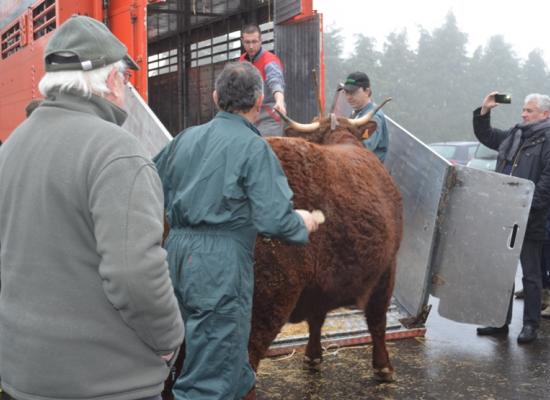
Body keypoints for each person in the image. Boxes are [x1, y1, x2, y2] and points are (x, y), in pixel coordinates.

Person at [0, 15, 184, 400]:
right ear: (112, 81)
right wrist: (169, 338)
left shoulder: (10, 149)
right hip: (107, 384)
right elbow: (134, 274)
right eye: (125, 79)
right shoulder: (118, 152)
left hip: (22, 376)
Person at [154, 61, 319, 400]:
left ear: (216, 97)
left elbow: (148, 181)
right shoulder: (254, 147)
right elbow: (274, 219)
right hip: (220, 263)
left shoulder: (184, 139)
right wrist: (301, 222)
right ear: (260, 102)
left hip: (174, 256)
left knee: (187, 349)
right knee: (213, 370)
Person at [473, 92, 550, 344]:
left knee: (530, 274)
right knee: (502, 272)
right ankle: (499, 321)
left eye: (529, 111)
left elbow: (547, 184)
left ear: (545, 114)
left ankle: (530, 325)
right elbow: (486, 136)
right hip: (504, 216)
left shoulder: (547, 140)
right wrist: (484, 111)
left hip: (530, 217)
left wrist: (525, 206)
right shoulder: (515, 134)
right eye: (524, 110)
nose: (523, 114)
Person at [239, 23, 286, 136]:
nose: (251, 46)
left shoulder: (269, 61)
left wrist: (279, 101)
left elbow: (276, 82)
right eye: (247, 42)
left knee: (265, 145)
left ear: (261, 40)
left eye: (254, 42)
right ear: (242, 41)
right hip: (249, 115)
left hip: (269, 115)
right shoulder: (241, 61)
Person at [343, 71, 389, 162]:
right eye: (346, 92)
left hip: (367, 170)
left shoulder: (373, 117)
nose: (348, 97)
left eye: (353, 92)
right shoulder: (356, 113)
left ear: (367, 91)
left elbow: (363, 148)